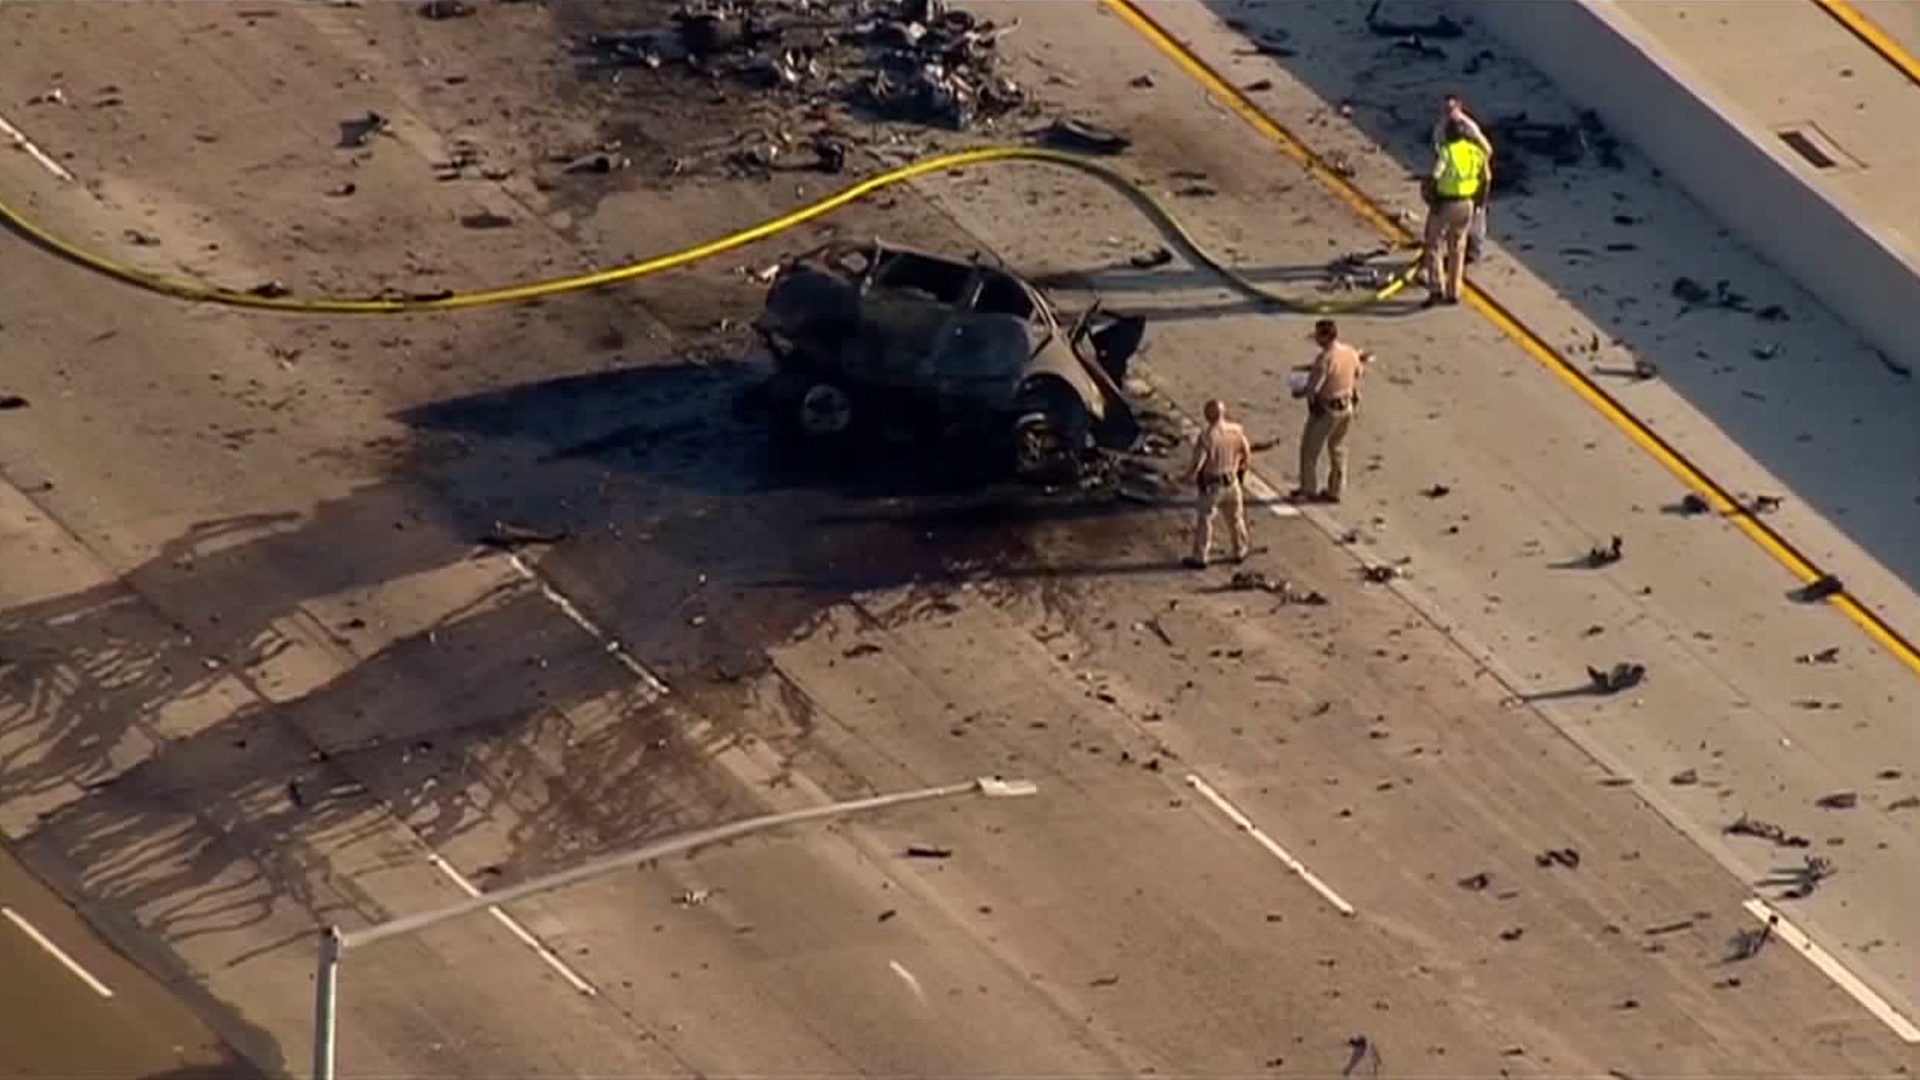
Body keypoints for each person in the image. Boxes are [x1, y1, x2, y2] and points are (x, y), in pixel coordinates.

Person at [1292, 319, 1368, 503]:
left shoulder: (1324, 359)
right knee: (1338, 448)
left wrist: (1299, 391)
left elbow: (1313, 388)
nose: (1316, 339)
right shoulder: (1350, 352)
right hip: (1346, 406)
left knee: (1310, 450)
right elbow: (1358, 373)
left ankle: (1308, 489)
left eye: (1318, 335)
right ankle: (1335, 490)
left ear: (1324, 337)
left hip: (1327, 409)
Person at [1421, 117, 1490, 308]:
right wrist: (1479, 203)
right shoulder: (1476, 152)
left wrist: (1431, 198)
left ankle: (1436, 288)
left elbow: (1435, 177)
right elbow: (1486, 178)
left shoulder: (1447, 152)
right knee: (1457, 247)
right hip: (1467, 203)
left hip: (1445, 203)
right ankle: (1454, 291)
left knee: (1434, 244)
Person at [1185, 399, 1252, 569]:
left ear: (1207, 416)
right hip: (1232, 481)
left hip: (1212, 486)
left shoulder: (1207, 437)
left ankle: (1201, 556)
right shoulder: (1236, 430)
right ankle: (1240, 550)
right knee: (1235, 518)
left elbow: (1198, 463)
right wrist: (1241, 470)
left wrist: (1186, 477)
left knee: (1205, 521)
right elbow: (1246, 453)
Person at [1431, 94, 1493, 263]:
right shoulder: (1440, 129)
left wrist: (1475, 163)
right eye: (1446, 109)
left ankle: (1474, 249)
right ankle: (1456, 251)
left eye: (1452, 108)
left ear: (1459, 108)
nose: (1449, 113)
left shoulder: (1468, 127)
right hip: (1454, 182)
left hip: (1472, 177)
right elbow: (1439, 154)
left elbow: (1487, 150)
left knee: (1477, 215)